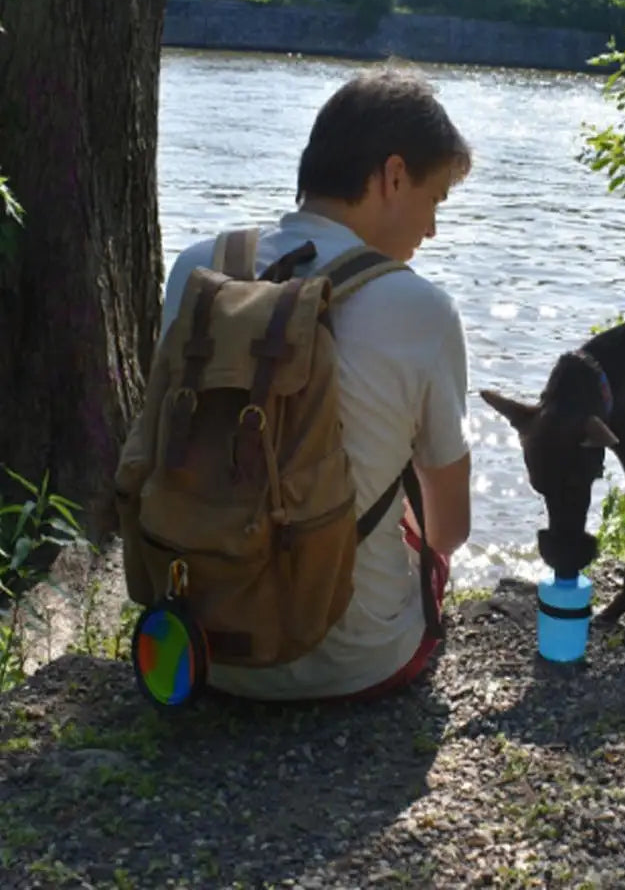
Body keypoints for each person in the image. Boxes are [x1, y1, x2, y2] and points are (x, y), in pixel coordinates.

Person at [159, 68, 473, 701]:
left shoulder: (197, 271)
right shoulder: (422, 308)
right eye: (435, 199)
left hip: (199, 650)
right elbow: (450, 529)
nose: (433, 230)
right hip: (356, 662)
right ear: (392, 177)